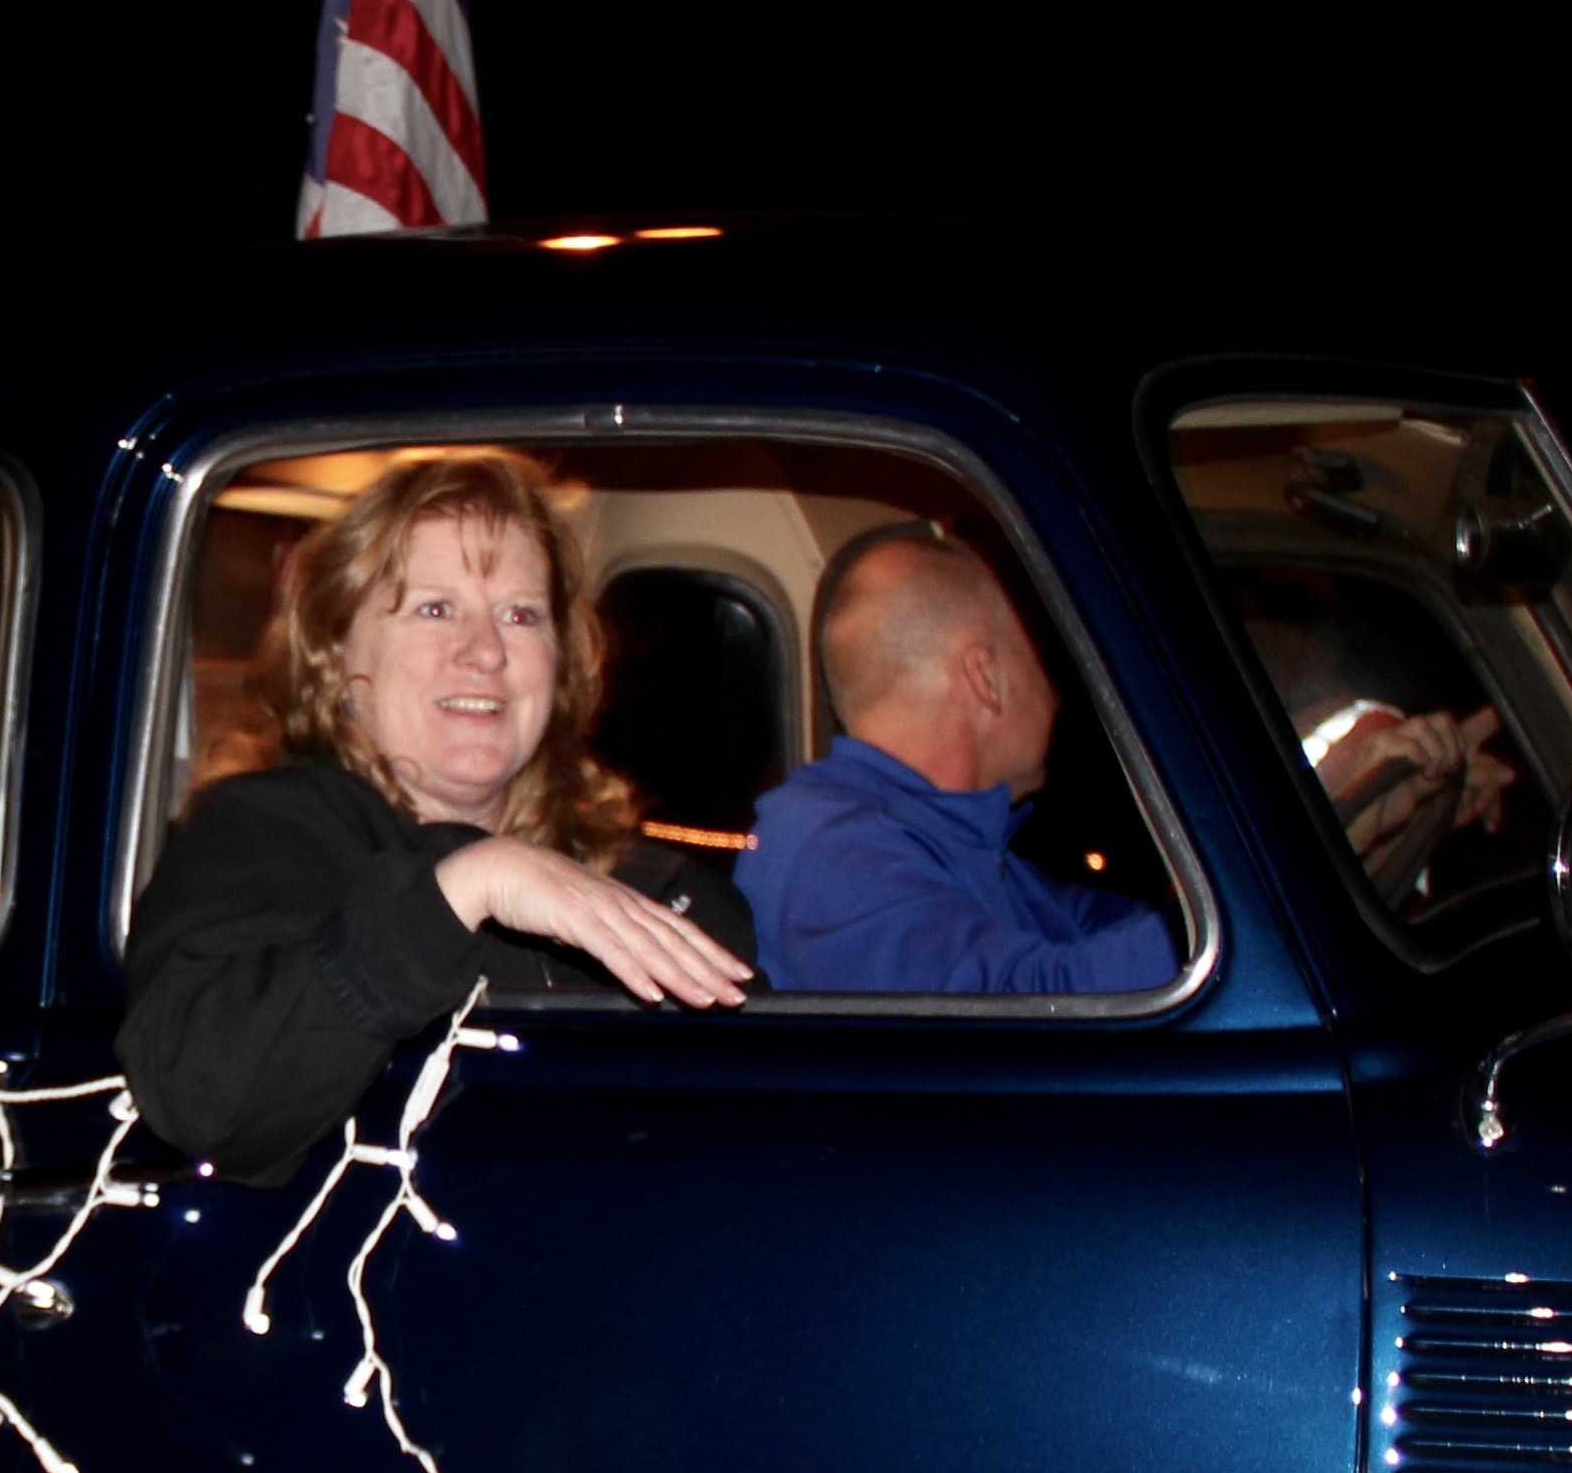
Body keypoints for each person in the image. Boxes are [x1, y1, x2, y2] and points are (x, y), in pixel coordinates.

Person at [123, 454, 751, 1175]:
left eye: (520, 615)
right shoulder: (259, 837)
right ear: (334, 654)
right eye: (434, 609)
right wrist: (466, 887)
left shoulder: (664, 888)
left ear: (561, 662)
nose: (484, 652)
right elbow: (206, 1105)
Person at [735, 524, 1181, 996]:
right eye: (1035, 661)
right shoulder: (829, 848)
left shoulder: (966, 845)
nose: (1054, 695)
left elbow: (1096, 924)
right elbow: (1020, 1012)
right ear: (986, 677)